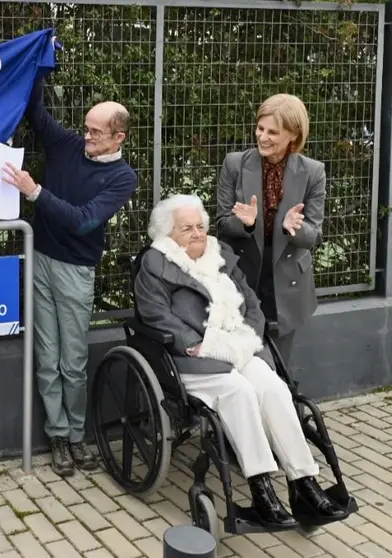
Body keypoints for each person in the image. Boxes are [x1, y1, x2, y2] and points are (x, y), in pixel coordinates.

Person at [134, 194, 344, 527]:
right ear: (167, 233)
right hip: (195, 357)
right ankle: (261, 490)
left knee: (274, 389)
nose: (197, 233)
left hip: (239, 347)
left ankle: (304, 482)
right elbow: (155, 315)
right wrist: (195, 344)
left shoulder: (221, 254)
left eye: (200, 226)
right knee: (239, 392)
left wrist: (251, 334)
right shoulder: (155, 265)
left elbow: (251, 302)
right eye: (187, 228)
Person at [2, 73, 138, 477]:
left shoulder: (122, 177)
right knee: (47, 357)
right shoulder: (68, 145)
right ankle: (58, 436)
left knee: (73, 361)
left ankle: (78, 436)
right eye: (86, 128)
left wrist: (34, 192)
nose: (87, 137)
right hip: (40, 259)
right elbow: (35, 111)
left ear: (118, 138)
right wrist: (39, 64)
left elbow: (83, 221)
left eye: (96, 133)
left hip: (76, 270)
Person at [215, 94, 324, 365]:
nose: (262, 137)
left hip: (287, 279)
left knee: (279, 364)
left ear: (293, 135)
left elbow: (314, 236)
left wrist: (293, 229)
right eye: (260, 128)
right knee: (242, 360)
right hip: (243, 272)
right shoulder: (234, 164)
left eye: (272, 132)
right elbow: (222, 224)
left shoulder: (313, 172)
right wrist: (247, 223)